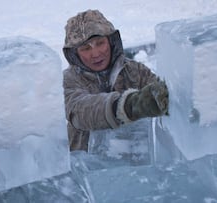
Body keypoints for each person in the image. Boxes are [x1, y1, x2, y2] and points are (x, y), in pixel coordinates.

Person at [62, 9, 169, 151]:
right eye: (85, 48)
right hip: (87, 167)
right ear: (75, 54)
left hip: (137, 162)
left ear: (111, 42)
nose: (95, 54)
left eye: (100, 43)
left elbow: (164, 96)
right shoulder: (68, 80)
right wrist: (128, 105)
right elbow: (81, 111)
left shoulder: (135, 71)